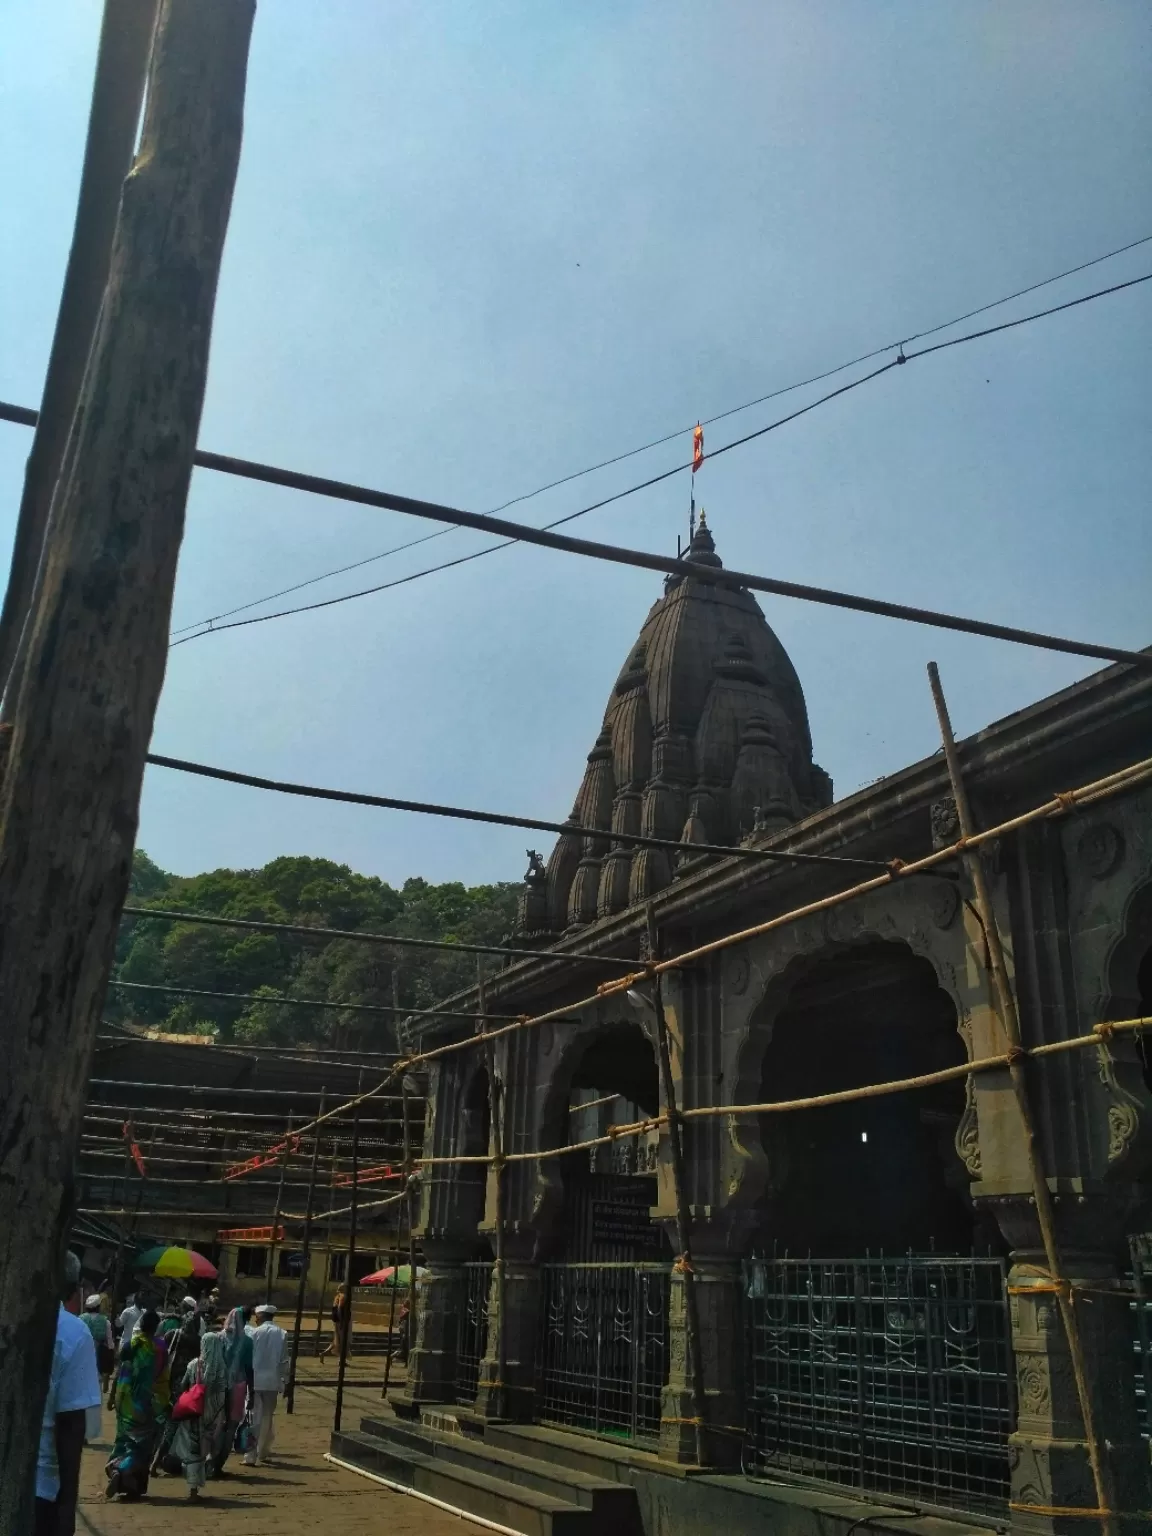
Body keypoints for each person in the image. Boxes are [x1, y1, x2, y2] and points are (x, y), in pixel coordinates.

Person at [36, 1251, 101, 1536]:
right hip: (41, 1488)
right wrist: (67, 1507)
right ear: (73, 1290)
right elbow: (71, 1426)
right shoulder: (74, 1332)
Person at [104, 1311, 169, 1501]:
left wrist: (112, 1397)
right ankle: (119, 1469)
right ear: (156, 1327)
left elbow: (121, 1372)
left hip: (125, 1402)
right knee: (142, 1448)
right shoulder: (159, 1347)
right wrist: (164, 1401)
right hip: (147, 1404)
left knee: (123, 1441)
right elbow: (164, 1376)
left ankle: (127, 1485)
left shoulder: (129, 1345)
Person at [166, 1323, 229, 1499]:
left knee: (192, 1450)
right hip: (212, 1415)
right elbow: (224, 1393)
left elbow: (183, 1384)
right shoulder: (221, 1368)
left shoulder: (194, 1364)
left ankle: (193, 1488)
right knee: (202, 1450)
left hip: (193, 1413)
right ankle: (197, 1484)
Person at [243, 1304, 287, 1467]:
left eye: (257, 1315)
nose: (255, 1318)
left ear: (261, 1316)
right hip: (273, 1381)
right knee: (268, 1417)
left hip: (255, 1380)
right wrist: (285, 1381)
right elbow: (284, 1361)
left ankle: (250, 1455)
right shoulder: (282, 1334)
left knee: (253, 1418)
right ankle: (263, 1451)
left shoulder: (254, 1333)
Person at [214, 1306, 253, 1476]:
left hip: (218, 1386)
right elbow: (249, 1369)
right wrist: (252, 1393)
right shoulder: (247, 1341)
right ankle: (219, 1464)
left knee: (216, 1424)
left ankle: (210, 1460)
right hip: (238, 1385)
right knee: (231, 1426)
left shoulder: (218, 1338)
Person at [79, 1296, 115, 1430]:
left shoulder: (80, 1319)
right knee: (93, 1398)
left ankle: (80, 1427)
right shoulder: (105, 1322)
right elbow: (110, 1345)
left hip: (81, 1362)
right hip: (97, 1363)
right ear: (98, 1307)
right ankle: (89, 1428)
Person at [323, 1287, 350, 1357]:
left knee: (337, 1339)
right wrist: (341, 1321)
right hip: (340, 1320)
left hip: (336, 1320)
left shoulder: (337, 1296)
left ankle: (323, 1353)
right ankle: (341, 1360)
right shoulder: (343, 1296)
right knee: (341, 1340)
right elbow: (339, 1308)